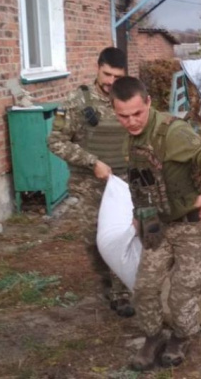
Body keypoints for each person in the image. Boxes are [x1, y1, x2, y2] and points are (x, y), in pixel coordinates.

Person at [109, 76, 201, 371]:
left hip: (193, 226)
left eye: (138, 113)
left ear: (148, 102)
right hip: (159, 224)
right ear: (115, 112)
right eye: (124, 116)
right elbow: (141, 182)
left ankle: (180, 336)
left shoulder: (173, 132)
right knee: (145, 288)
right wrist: (139, 215)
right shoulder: (130, 139)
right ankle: (153, 336)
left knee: (182, 292)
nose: (132, 121)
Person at [48, 47, 135, 317]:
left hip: (126, 184)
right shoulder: (77, 102)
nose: (110, 81)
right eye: (106, 74)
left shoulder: (130, 97)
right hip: (91, 185)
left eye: (116, 76)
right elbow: (55, 141)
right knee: (95, 240)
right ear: (97, 68)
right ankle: (108, 285)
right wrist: (91, 162)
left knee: (126, 236)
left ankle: (122, 293)